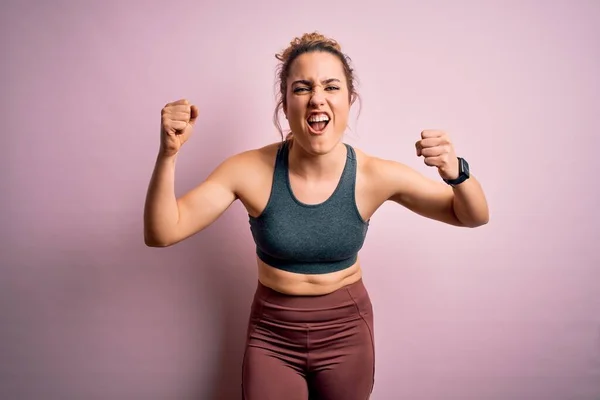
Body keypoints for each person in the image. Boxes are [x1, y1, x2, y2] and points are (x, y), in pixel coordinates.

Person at [143, 32, 489, 400]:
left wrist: (457, 172)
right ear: (285, 102)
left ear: (349, 99)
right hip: (271, 335)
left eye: (331, 86)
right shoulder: (248, 170)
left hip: (346, 334)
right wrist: (168, 154)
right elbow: (163, 231)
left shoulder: (374, 175)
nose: (317, 99)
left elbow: (471, 215)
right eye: (302, 88)